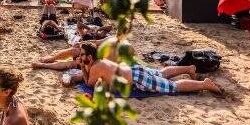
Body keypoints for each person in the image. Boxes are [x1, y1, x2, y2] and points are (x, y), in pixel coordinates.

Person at [79, 43, 222, 93]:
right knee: (161, 73)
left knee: (173, 87)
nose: (80, 58)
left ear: (90, 58)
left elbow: (89, 84)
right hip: (134, 70)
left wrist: (82, 68)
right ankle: (189, 68)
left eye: (82, 55)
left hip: (137, 78)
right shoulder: (101, 61)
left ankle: (204, 84)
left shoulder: (95, 67)